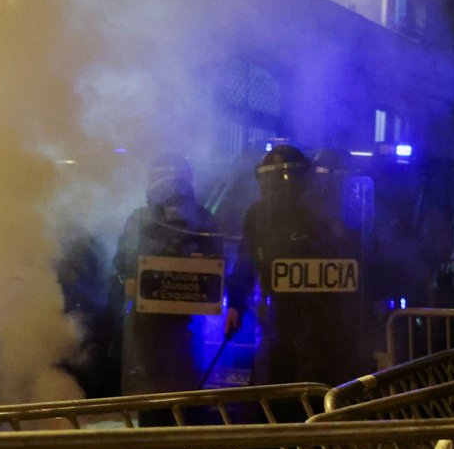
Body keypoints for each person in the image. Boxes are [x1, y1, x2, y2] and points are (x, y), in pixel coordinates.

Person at [110, 152, 245, 425]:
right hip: (150, 323)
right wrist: (128, 278)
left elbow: (219, 261)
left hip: (188, 323)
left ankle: (179, 445)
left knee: (183, 386)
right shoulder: (140, 220)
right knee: (153, 390)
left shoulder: (203, 220)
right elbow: (121, 260)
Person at [234, 144, 361, 389]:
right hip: (280, 316)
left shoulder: (323, 213)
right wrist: (237, 304)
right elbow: (246, 259)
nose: (280, 186)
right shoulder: (259, 215)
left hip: (321, 319)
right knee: (276, 378)